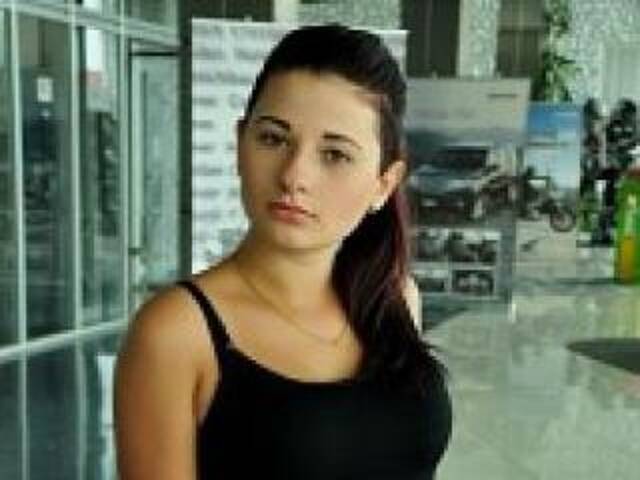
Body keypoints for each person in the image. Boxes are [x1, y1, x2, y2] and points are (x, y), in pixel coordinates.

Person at [114, 23, 452, 480]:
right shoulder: (177, 333)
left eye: (334, 154)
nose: (294, 176)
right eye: (273, 139)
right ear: (240, 144)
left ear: (384, 183)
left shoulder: (394, 299)